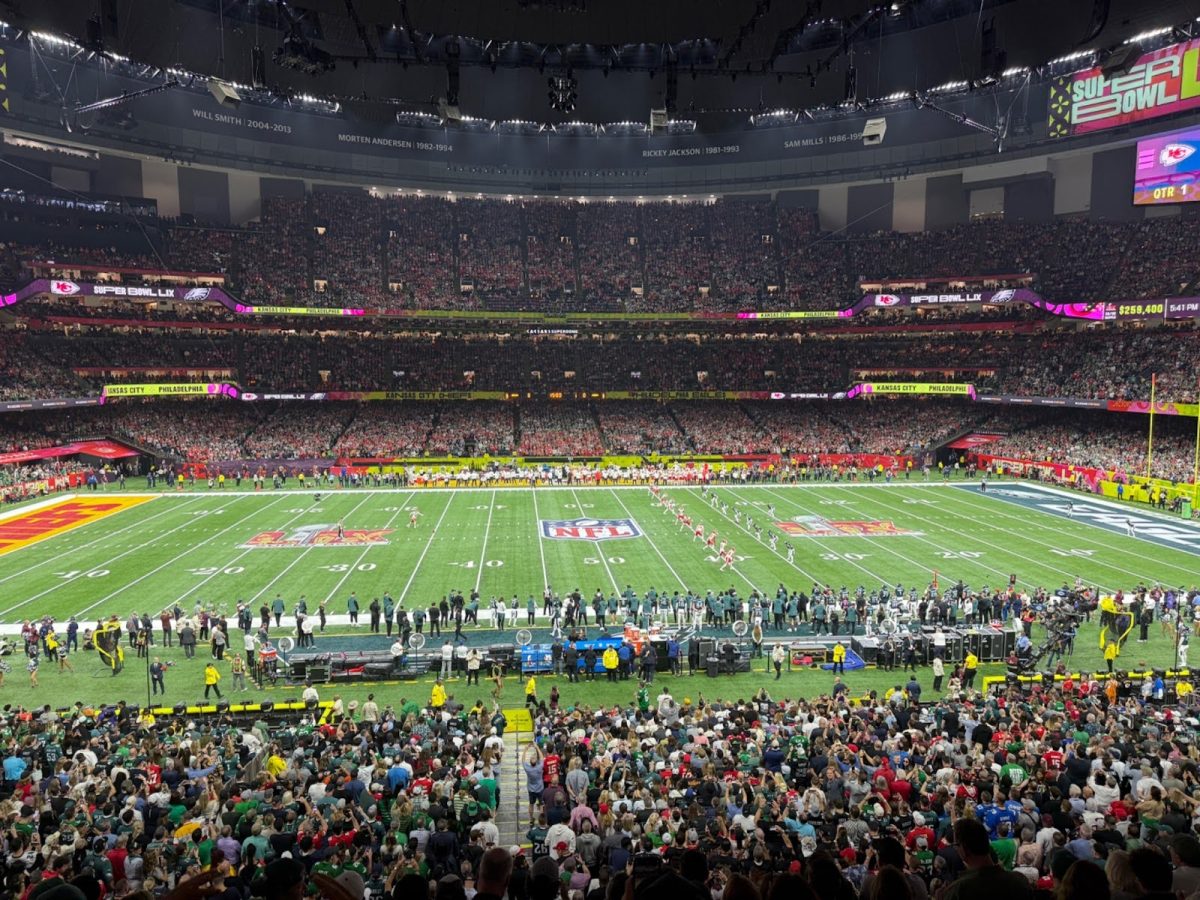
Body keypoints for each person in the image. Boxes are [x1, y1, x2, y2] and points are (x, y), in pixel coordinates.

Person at [941, 819, 1032, 900]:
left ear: (964, 849)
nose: (955, 849)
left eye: (956, 845)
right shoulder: (1020, 882)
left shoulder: (957, 891)